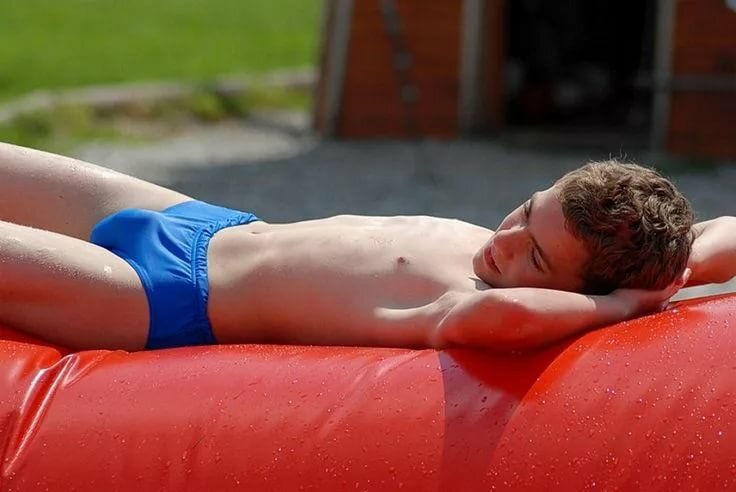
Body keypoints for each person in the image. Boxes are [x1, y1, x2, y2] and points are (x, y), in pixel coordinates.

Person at [0, 142, 711, 353]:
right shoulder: (519, 254)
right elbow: (720, 232)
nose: (505, 241)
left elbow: (504, 319)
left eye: (536, 258)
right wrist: (679, 268)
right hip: (203, 222)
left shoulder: (467, 303)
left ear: (575, 290)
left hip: (160, 297)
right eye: (526, 212)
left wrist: (625, 305)